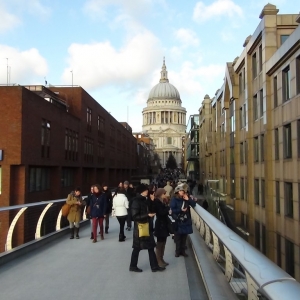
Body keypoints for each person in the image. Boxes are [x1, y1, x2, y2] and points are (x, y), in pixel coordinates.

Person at [129, 184, 165, 273]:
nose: (147, 192)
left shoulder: (145, 200)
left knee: (151, 247)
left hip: (147, 227)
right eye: (145, 190)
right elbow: (134, 216)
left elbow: (152, 210)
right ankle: (133, 266)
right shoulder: (136, 201)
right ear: (141, 191)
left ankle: (154, 266)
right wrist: (147, 215)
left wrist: (152, 201)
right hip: (140, 228)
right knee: (137, 248)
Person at [170, 183, 196, 257]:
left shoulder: (186, 198)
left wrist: (188, 199)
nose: (183, 192)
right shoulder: (174, 199)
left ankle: (183, 251)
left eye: (183, 191)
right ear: (177, 192)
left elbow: (194, 204)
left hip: (185, 219)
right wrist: (180, 210)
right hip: (178, 220)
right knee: (178, 237)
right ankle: (177, 251)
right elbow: (172, 209)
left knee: (184, 237)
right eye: (181, 191)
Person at [153, 188, 170, 267]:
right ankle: (158, 260)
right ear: (160, 194)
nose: (165, 195)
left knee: (163, 242)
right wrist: (168, 208)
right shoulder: (157, 202)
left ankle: (161, 259)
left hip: (163, 224)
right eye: (164, 193)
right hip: (160, 225)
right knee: (160, 243)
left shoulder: (162, 201)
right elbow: (161, 212)